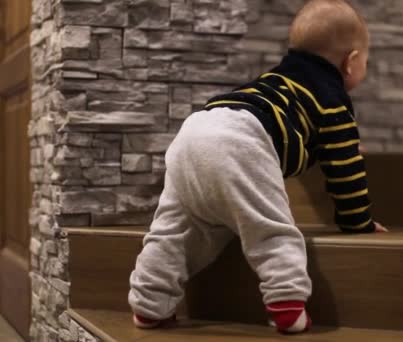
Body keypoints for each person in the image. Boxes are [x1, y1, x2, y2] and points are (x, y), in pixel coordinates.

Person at [128, 0, 388, 334]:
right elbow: (345, 171)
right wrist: (358, 223)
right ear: (351, 62)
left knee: (172, 230)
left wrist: (335, 145)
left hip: (194, 131)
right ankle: (286, 302)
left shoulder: (277, 81)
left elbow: (301, 138)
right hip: (241, 142)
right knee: (268, 227)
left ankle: (148, 304)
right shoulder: (332, 100)